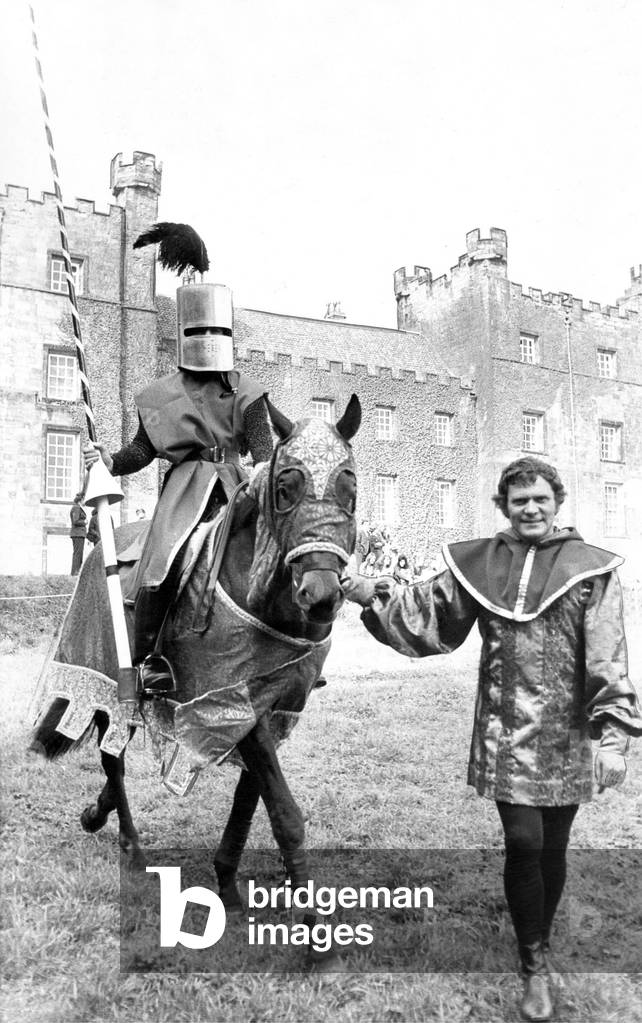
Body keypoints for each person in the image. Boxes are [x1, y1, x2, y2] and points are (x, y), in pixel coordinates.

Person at [343, 457, 642, 1021]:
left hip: (569, 733)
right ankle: (534, 967)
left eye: (541, 500)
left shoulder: (591, 571)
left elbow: (608, 656)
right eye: (520, 500)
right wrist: (367, 594)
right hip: (506, 732)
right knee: (524, 841)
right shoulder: (483, 563)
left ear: (558, 505)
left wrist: (612, 738)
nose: (531, 509)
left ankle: (540, 938)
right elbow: (428, 617)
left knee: (552, 846)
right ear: (504, 506)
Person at [84, 278, 273, 695]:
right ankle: (153, 660)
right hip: (186, 491)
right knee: (164, 563)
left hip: (237, 486)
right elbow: (142, 450)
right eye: (201, 331)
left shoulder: (248, 393)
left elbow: (263, 451)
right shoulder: (162, 396)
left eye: (219, 332)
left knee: (277, 553)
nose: (210, 340)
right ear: (184, 333)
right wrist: (110, 461)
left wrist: (262, 472)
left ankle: (284, 658)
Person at [69, 494, 87, 575]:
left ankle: (76, 572)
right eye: (84, 500)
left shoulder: (78, 508)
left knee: (79, 554)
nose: (85, 501)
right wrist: (84, 522)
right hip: (77, 534)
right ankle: (75, 573)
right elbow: (75, 521)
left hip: (79, 534)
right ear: (80, 500)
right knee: (77, 554)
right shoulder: (76, 508)